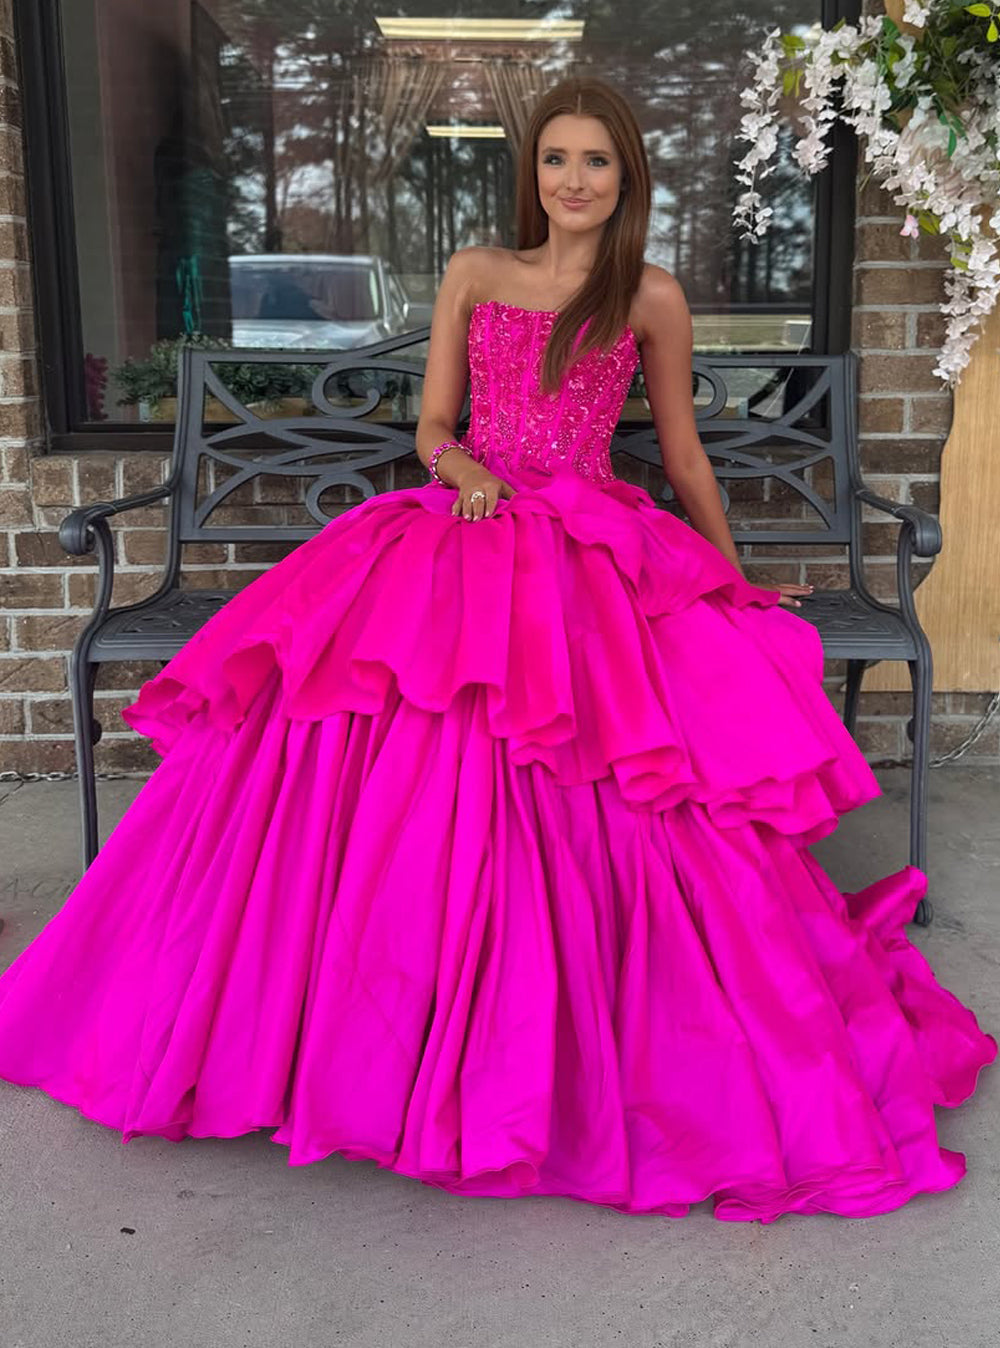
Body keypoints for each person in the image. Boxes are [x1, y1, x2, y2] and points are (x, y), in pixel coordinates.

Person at [0, 78, 994, 1223]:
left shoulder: (649, 296)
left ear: (627, 179)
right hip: (463, 524)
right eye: (555, 159)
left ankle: (537, 1033)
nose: (573, 180)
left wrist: (726, 577)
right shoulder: (475, 271)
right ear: (532, 173)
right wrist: (462, 464)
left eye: (596, 162)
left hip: (585, 541)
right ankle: (356, 1031)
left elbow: (683, 456)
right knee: (358, 721)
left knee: (607, 762)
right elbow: (432, 425)